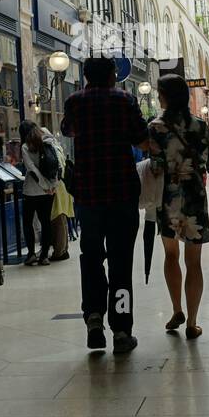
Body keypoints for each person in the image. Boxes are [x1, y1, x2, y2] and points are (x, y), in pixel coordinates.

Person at [61, 57, 148, 353]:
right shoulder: (125, 100)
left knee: (91, 258)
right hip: (122, 194)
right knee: (121, 263)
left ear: (85, 77)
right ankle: (122, 330)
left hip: (89, 196)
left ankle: (94, 318)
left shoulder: (75, 101)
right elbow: (141, 137)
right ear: (112, 75)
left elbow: (67, 130)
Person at [148, 74, 209, 340]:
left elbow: (155, 166)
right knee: (194, 262)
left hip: (168, 196)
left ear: (165, 96)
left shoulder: (155, 127)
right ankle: (192, 322)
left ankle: (176, 309)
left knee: (170, 256)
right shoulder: (200, 126)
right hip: (193, 196)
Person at [19, 120, 57, 266]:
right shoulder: (48, 138)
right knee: (46, 221)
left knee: (28, 222)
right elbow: (56, 161)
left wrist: (42, 185)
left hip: (32, 191)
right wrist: (51, 185)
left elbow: (32, 170)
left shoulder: (25, 146)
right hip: (49, 191)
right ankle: (45, 255)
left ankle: (31, 254)